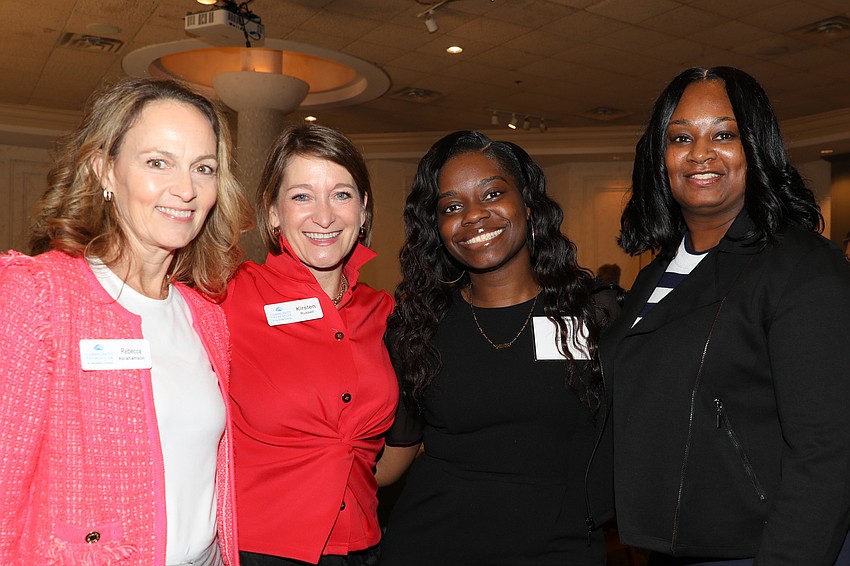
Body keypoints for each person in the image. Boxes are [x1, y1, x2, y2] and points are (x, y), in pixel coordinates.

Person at [600, 66, 850, 565]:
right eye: (680, 137)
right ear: (660, 155)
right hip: (672, 546)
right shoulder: (656, 275)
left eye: (724, 134)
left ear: (756, 148)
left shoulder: (802, 267)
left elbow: (829, 453)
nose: (700, 153)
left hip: (767, 549)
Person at [0, 77, 251, 565]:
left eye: (204, 168)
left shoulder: (206, 318)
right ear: (104, 171)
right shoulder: (38, 297)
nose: (186, 189)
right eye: (158, 162)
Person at [376, 131, 619, 566]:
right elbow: (393, 455)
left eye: (491, 193)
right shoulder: (418, 327)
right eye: (451, 206)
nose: (472, 216)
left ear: (527, 203)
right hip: (430, 546)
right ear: (436, 226)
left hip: (560, 547)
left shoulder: (594, 313)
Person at [223, 124, 397, 566]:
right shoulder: (227, 297)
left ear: (363, 212)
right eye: (302, 196)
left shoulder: (385, 313)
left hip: (364, 544)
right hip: (263, 549)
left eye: (341, 195)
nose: (325, 216)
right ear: (273, 212)